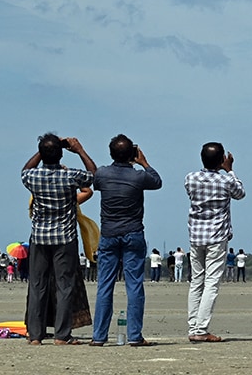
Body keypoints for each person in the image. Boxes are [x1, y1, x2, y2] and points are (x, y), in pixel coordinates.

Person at [21, 133, 96, 345]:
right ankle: (62, 335)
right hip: (64, 236)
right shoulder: (70, 176)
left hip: (40, 236)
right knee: (65, 286)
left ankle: (35, 335)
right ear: (62, 154)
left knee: (37, 285)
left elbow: (25, 170)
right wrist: (79, 150)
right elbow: (94, 175)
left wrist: (45, 150)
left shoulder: (33, 177)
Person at [90, 134, 162, 347]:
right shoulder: (139, 176)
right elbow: (157, 182)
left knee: (104, 285)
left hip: (109, 233)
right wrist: (144, 162)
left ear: (111, 153)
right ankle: (134, 335)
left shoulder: (102, 174)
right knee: (134, 286)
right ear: (132, 154)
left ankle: (99, 336)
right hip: (133, 232)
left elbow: (93, 177)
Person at [184, 142, 246, 342]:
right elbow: (240, 193)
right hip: (216, 236)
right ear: (221, 161)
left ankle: (193, 326)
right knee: (211, 283)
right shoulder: (226, 181)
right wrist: (230, 170)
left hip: (196, 236)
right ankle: (201, 329)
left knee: (196, 282)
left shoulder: (190, 178)